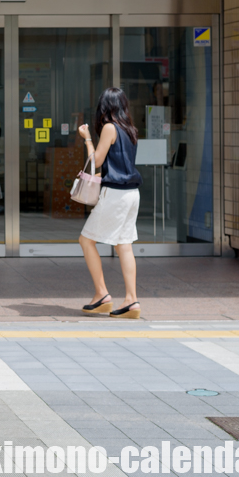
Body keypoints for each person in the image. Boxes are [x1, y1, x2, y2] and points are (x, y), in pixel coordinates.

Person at [78, 87, 143, 319]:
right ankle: (131, 300)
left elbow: (97, 160)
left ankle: (102, 293)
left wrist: (87, 138)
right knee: (124, 245)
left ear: (105, 107)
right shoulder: (131, 130)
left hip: (115, 193)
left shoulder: (109, 127)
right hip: (132, 193)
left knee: (86, 240)